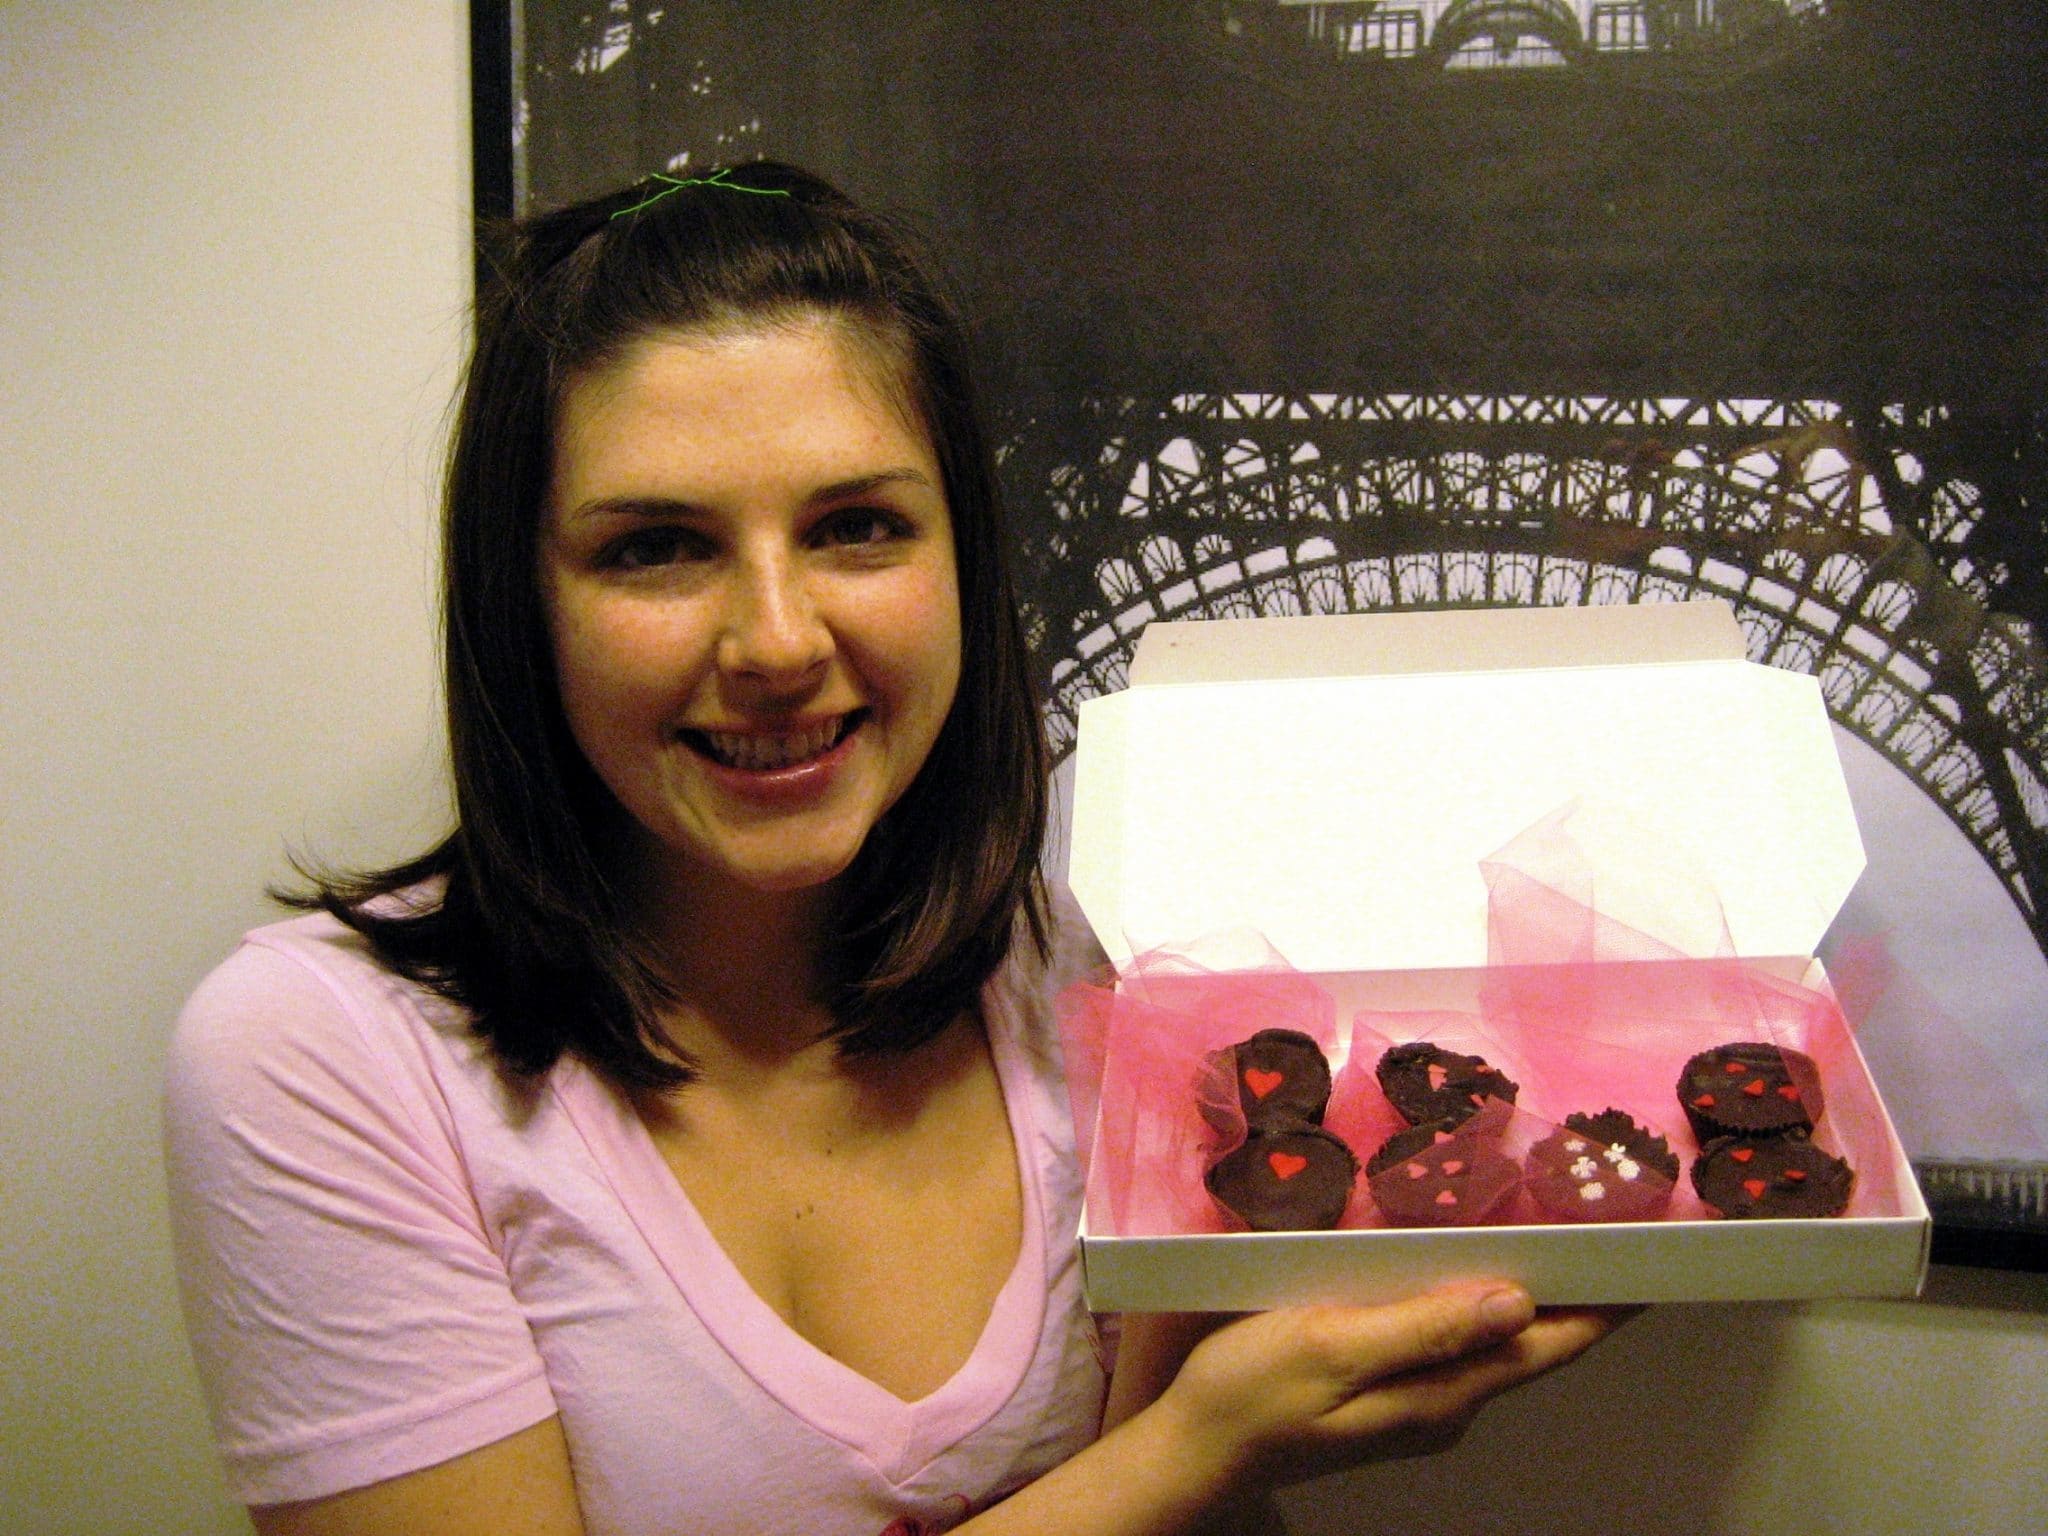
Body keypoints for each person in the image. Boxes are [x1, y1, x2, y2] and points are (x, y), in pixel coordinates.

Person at [163, 161, 1615, 1536]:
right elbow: (1172, 1477)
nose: (777, 641)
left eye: (857, 526)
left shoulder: (1114, 975)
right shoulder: (322, 1058)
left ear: (962, 557)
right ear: (520, 601)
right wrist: (1193, 1448)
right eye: (657, 547)